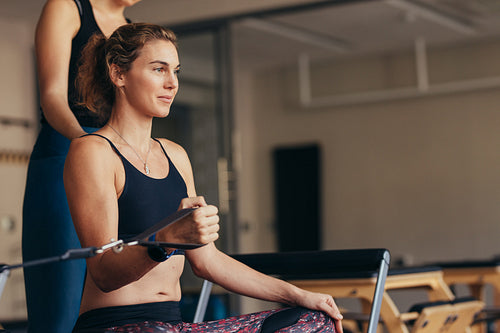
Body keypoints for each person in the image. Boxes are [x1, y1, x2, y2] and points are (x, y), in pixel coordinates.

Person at [63, 22, 344, 333]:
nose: (172, 83)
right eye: (159, 69)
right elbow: (104, 273)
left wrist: (298, 295)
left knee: (311, 320)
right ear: (118, 74)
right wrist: (166, 240)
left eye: (176, 71)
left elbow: (207, 261)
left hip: (174, 325)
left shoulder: (176, 155)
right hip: (115, 325)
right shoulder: (93, 151)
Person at [22, 1, 140, 332]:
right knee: (61, 303)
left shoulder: (129, 27)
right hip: (68, 147)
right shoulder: (67, 6)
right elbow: (52, 95)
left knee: (114, 304)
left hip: (116, 155)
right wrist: (87, 146)